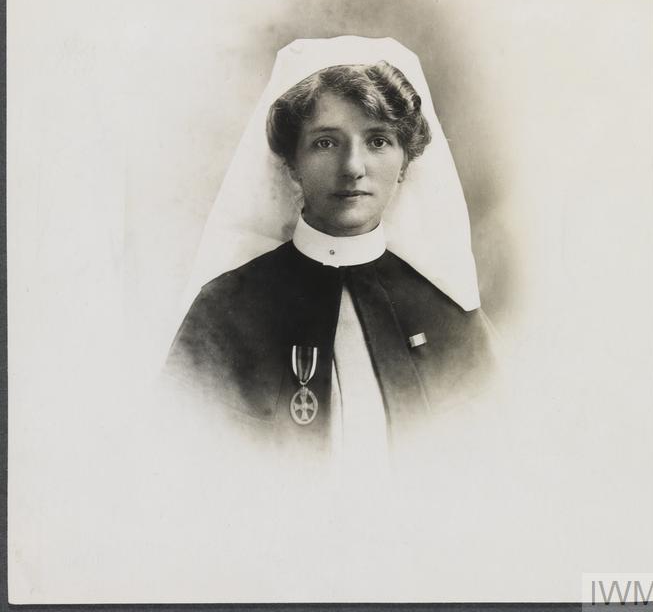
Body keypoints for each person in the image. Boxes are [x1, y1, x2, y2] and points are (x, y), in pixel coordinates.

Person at [165, 36, 494, 458]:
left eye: (377, 141)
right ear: (291, 164)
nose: (353, 167)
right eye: (325, 142)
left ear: (405, 163)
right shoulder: (225, 311)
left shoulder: (448, 315)